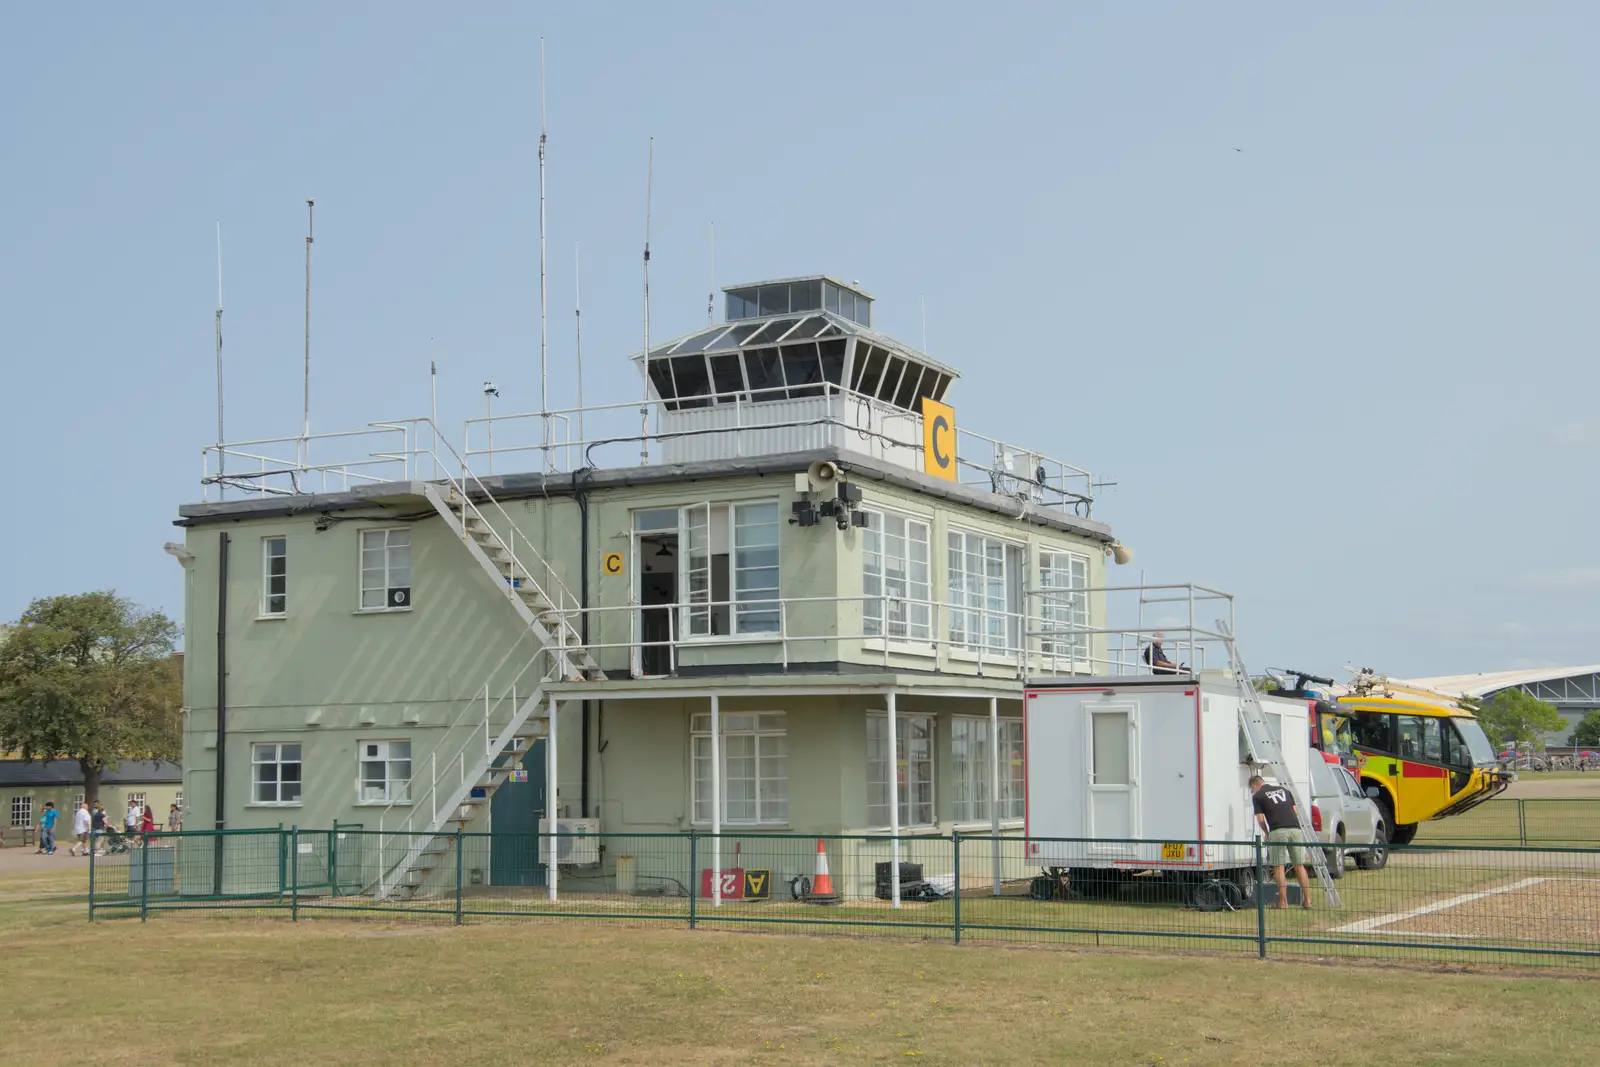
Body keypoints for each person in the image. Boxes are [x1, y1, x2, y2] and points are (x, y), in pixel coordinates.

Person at [1251, 774, 1311, 909]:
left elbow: (1260, 819)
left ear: (1255, 785)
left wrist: (1267, 833)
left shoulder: (1258, 796)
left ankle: (1283, 903)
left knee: (1279, 866)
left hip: (1278, 830)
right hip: (1295, 829)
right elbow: (1295, 810)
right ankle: (1307, 901)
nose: (1252, 792)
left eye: (1252, 789)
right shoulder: (1285, 790)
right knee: (1299, 865)